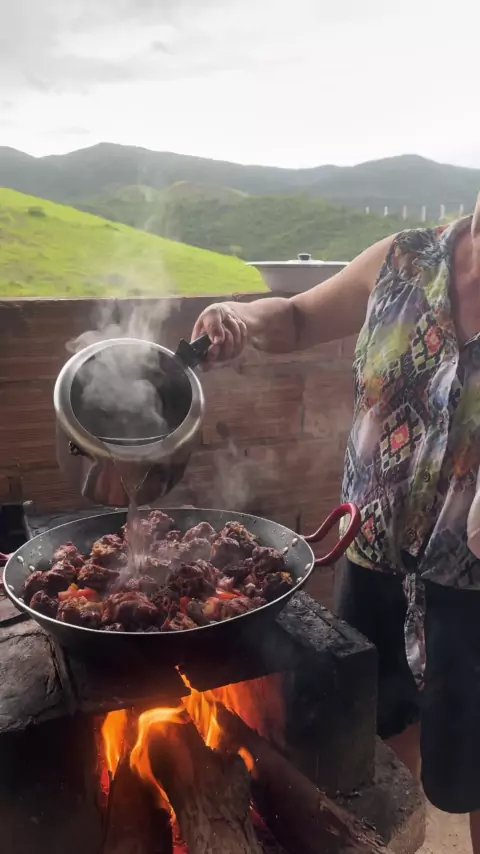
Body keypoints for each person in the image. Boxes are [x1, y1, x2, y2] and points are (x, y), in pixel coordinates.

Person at [191, 200, 480, 852]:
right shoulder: (405, 259)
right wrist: (239, 317)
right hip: (372, 564)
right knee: (377, 765)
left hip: (473, 592)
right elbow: (296, 318)